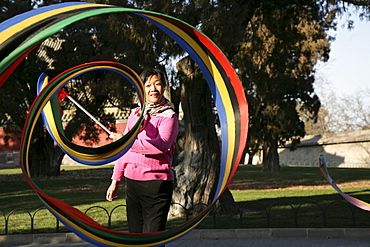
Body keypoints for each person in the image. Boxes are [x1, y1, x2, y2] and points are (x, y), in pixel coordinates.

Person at [106, 67, 178, 234]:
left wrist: (127, 142)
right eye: (148, 85)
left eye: (158, 84)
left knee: (153, 237)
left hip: (156, 184)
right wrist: (115, 180)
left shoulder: (169, 116)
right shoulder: (136, 113)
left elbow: (161, 145)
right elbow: (124, 152)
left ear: (164, 87)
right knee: (135, 236)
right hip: (132, 183)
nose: (153, 89)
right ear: (141, 89)